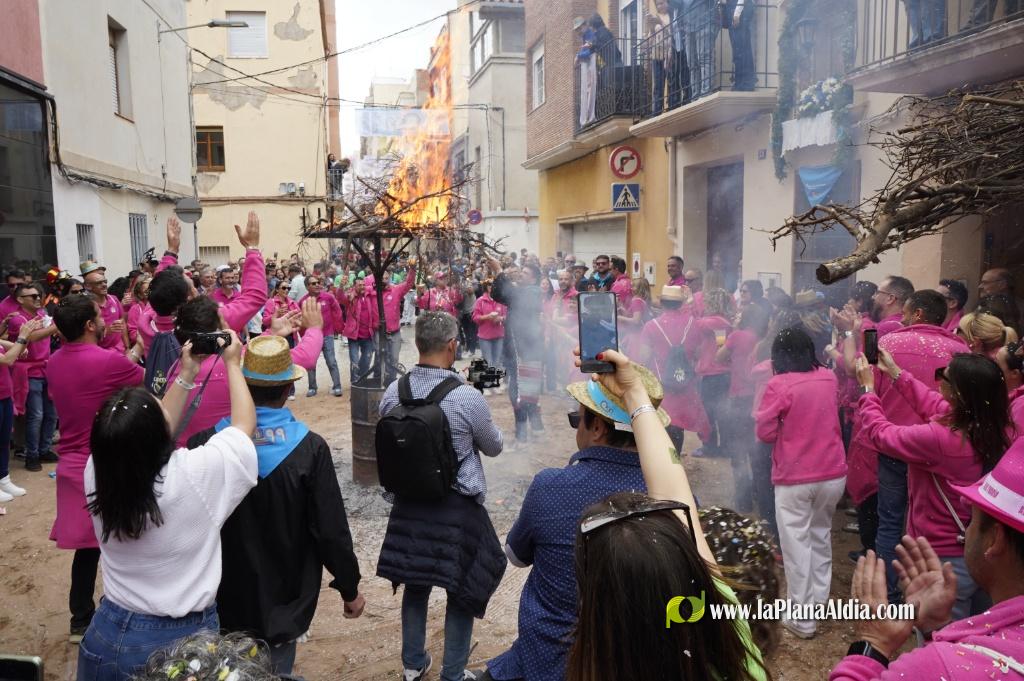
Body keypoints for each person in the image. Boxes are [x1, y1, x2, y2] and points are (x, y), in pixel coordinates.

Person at [564, 348, 768, 681]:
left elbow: (675, 495)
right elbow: (675, 492)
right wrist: (633, 392)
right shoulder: (723, 620)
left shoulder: (604, 663)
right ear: (689, 564)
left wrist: (632, 392)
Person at [77, 329, 257, 681]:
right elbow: (243, 428)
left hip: (106, 634)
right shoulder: (194, 474)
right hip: (178, 645)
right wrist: (233, 364)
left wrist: (187, 373)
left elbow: (148, 435)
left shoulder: (98, 469)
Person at [187, 336, 364, 675]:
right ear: (287, 390)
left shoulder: (206, 443)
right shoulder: (310, 450)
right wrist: (349, 587)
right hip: (285, 599)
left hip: (221, 595)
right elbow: (330, 531)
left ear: (244, 386)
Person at [480, 355, 661, 681]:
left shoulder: (550, 486)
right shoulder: (672, 502)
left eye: (576, 419)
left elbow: (516, 556)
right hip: (633, 664)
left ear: (596, 427)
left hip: (547, 661)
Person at [376, 312, 505, 681]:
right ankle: (453, 674)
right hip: (455, 508)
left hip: (408, 505)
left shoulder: (393, 392)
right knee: (462, 592)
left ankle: (413, 666)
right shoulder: (466, 397)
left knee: (416, 585)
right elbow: (493, 447)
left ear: (418, 344)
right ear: (452, 346)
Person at [829, 438, 1024, 679]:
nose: (967, 530)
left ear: (995, 538)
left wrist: (873, 643)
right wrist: (937, 628)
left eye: (970, 519)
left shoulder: (934, 668)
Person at [855, 349, 1008, 619]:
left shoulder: (942, 440)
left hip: (941, 557)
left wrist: (868, 389)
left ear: (959, 394)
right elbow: (932, 403)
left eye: (943, 377)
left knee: (939, 635)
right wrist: (895, 373)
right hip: (975, 551)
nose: (938, 383)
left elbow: (881, 435)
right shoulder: (988, 424)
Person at [47, 295, 146, 642]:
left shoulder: (54, 361)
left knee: (87, 550)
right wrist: (135, 348)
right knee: (127, 539)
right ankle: (130, 610)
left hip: (71, 465)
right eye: (98, 315)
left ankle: (80, 619)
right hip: (107, 460)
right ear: (90, 325)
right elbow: (143, 379)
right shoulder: (107, 361)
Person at [873, 289, 970, 603]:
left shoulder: (887, 345)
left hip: (894, 442)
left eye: (905, 312)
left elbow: (870, 387)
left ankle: (890, 596)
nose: (900, 319)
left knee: (890, 521)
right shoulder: (960, 348)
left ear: (917, 314)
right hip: (941, 452)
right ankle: (921, 592)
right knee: (926, 523)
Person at [755, 326, 848, 639]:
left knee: (796, 545)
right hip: (834, 472)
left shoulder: (778, 383)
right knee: (820, 535)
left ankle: (802, 620)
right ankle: (819, 602)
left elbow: (764, 433)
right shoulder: (828, 377)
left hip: (795, 476)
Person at [166, 297, 324, 446]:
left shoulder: (179, 367)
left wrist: (271, 333)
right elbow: (306, 358)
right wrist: (315, 328)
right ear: (219, 332)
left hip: (187, 458)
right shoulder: (230, 366)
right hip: (224, 457)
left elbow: (245, 355)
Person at [717, 303, 769, 513]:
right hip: (760, 399)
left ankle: (743, 499)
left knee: (738, 452)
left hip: (739, 398)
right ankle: (761, 495)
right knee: (757, 452)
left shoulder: (737, 336)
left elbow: (718, 357)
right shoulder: (766, 338)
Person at [489, 259, 546, 442]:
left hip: (527, 352)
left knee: (520, 393)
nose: (521, 274)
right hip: (517, 350)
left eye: (525, 273)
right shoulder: (524, 291)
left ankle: (522, 435)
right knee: (525, 391)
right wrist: (498, 275)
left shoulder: (534, 292)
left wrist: (499, 270)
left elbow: (510, 294)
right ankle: (537, 429)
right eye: (521, 271)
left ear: (534, 280)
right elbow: (499, 295)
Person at [8, 283, 59, 472]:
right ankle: (32, 454)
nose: (38, 299)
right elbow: (34, 336)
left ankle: (45, 449)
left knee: (51, 413)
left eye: (39, 295)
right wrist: (57, 325)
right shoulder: (17, 319)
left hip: (47, 368)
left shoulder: (42, 315)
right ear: (20, 300)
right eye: (33, 296)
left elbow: (49, 330)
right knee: (36, 415)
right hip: (29, 372)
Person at [0, 317, 43, 500]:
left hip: (4, 395)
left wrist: (22, 339)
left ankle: (3, 478)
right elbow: (9, 360)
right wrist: (23, 336)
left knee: (3, 439)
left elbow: (21, 350)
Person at [694, 289, 734, 457]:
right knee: (721, 412)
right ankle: (724, 447)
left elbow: (696, 323)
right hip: (720, 373)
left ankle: (709, 447)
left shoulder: (717, 322)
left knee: (709, 412)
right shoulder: (724, 322)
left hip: (713, 374)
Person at [299, 274, 344, 397]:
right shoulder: (303, 302)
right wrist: (305, 337)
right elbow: (301, 320)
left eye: (318, 282)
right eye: (313, 283)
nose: (317, 285)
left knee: (331, 361)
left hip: (327, 334)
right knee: (311, 363)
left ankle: (337, 386)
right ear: (307, 287)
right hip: (312, 338)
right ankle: (312, 388)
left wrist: (338, 328)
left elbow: (337, 312)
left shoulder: (328, 297)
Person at [81, 260, 128, 353]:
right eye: (99, 283)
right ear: (87, 285)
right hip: (99, 354)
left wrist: (127, 347)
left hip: (120, 351)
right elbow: (84, 335)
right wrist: (107, 330)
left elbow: (122, 324)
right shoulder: (85, 305)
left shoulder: (114, 299)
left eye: (105, 281)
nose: (104, 285)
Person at [341, 275, 379, 386]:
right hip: (354, 335)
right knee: (354, 361)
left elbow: (376, 289)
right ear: (354, 286)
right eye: (359, 285)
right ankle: (354, 383)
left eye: (363, 285)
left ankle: (362, 379)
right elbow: (340, 297)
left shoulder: (369, 295)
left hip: (368, 334)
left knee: (366, 360)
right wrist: (342, 286)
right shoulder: (350, 297)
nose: (362, 287)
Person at [472, 280, 507, 377]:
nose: (493, 287)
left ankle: (494, 381)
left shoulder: (501, 300)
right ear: (487, 287)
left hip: (499, 335)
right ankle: (488, 383)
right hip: (484, 336)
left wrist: (501, 318)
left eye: (495, 285)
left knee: (497, 360)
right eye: (490, 285)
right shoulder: (480, 301)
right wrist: (487, 317)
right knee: (488, 361)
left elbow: (506, 316)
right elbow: (475, 318)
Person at [726, 0, 756, 90]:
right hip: (734, 9)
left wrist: (737, 13)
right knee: (738, 49)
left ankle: (745, 83)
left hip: (740, 10)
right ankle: (740, 82)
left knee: (742, 49)